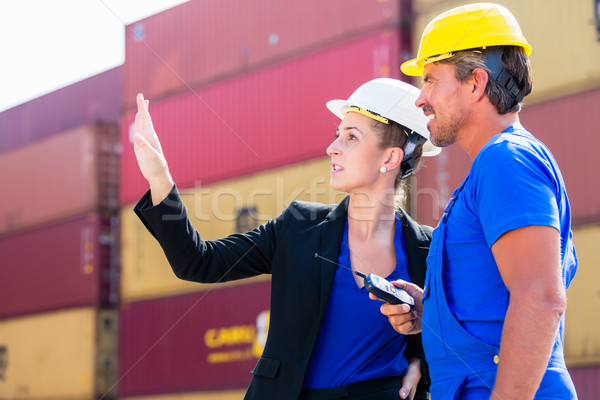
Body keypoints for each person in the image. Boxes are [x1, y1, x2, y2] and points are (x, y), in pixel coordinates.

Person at [132, 77, 441, 400]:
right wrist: (159, 176)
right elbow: (199, 262)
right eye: (338, 135)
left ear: (390, 159)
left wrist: (419, 360)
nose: (332, 147)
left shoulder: (428, 248)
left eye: (350, 137)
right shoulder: (298, 228)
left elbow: (457, 336)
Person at [377, 3, 578, 399]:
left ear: (475, 83)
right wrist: (432, 312)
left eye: (431, 80)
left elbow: (540, 297)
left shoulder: (507, 160)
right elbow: (500, 296)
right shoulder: (495, 165)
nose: (421, 99)